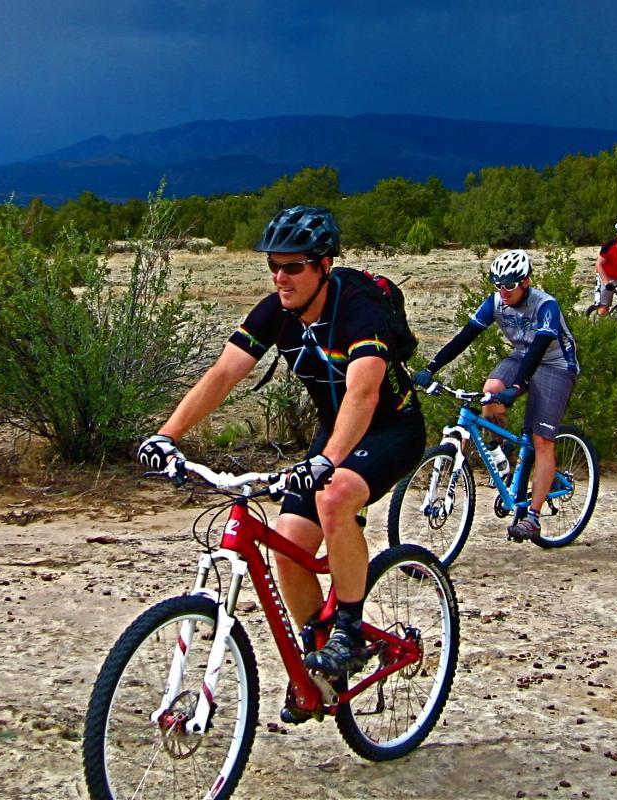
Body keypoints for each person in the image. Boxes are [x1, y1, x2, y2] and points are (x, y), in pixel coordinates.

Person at [137, 205, 426, 720]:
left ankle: (350, 633)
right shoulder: (277, 311)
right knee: (288, 545)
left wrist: (327, 463)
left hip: (390, 427)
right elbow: (223, 374)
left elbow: (362, 394)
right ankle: (320, 659)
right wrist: (167, 435)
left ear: (324, 265)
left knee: (334, 495)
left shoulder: (359, 308)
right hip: (334, 432)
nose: (280, 276)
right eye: (274, 265)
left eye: (293, 266)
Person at [413, 249, 579, 540]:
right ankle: (500, 452)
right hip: (522, 355)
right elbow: (465, 336)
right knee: (490, 393)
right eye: (498, 284)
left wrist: (518, 386)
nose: (503, 291)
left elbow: (540, 348)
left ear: (525, 282)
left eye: (510, 285)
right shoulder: (496, 302)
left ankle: (533, 517)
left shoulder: (546, 306)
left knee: (542, 440)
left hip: (555, 363)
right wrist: (432, 367)